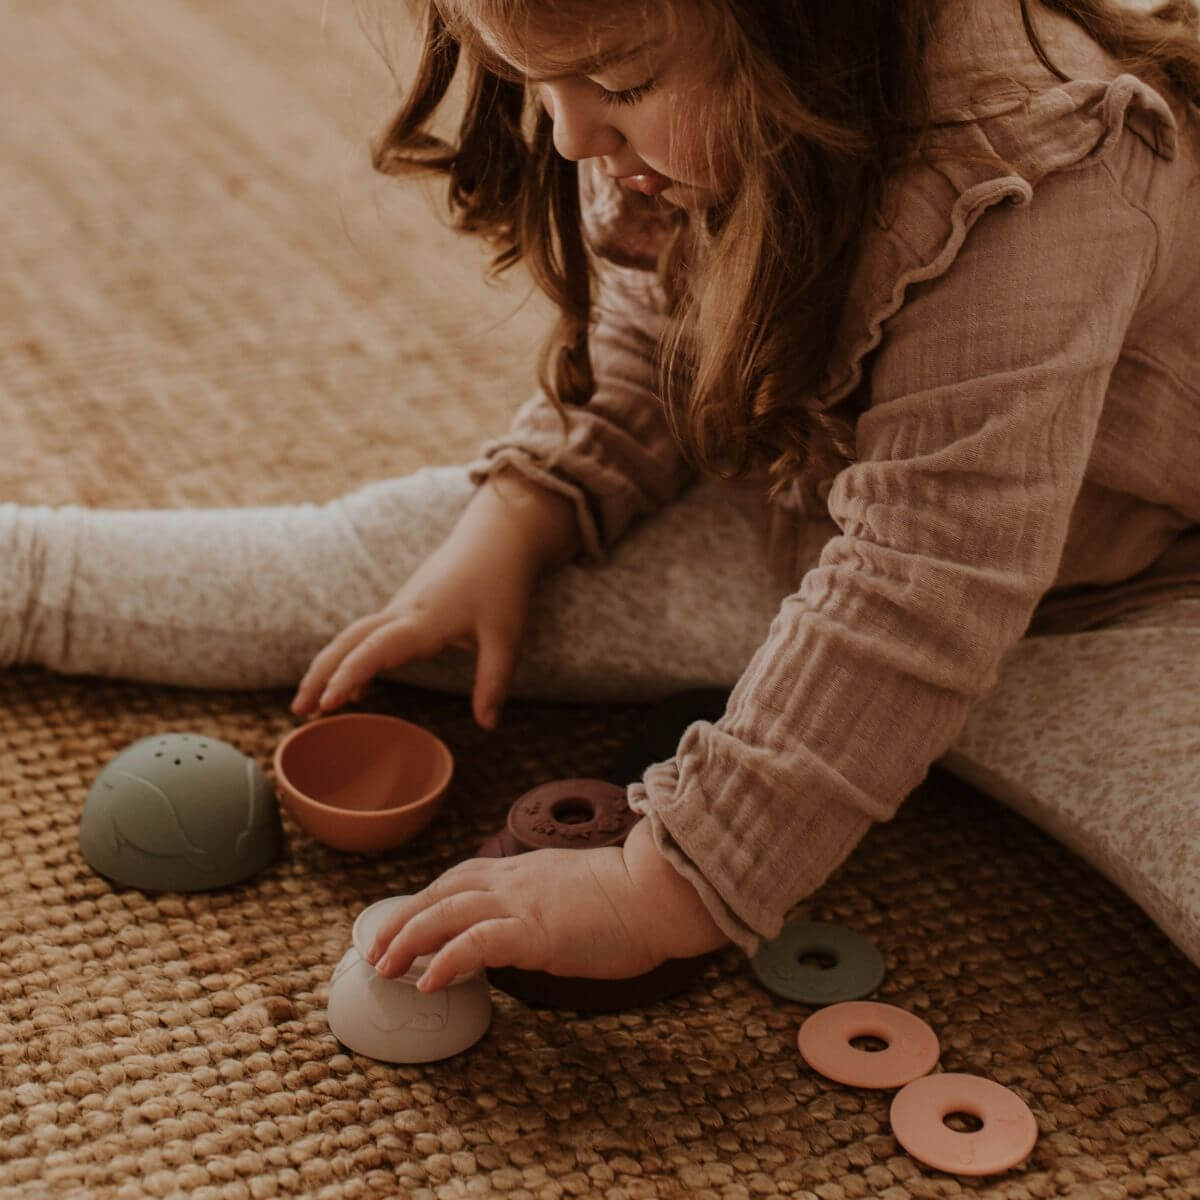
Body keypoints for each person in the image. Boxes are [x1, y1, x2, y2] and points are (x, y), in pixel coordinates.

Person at [4, 0, 1199, 993]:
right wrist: (528, 509)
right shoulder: (692, 105)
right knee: (398, 571)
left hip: (1130, 601)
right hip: (817, 514)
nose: (570, 135)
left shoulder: (1051, 170)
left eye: (615, 81)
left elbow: (926, 577)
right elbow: (667, 338)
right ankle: (28, 578)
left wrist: (668, 884)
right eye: (533, 78)